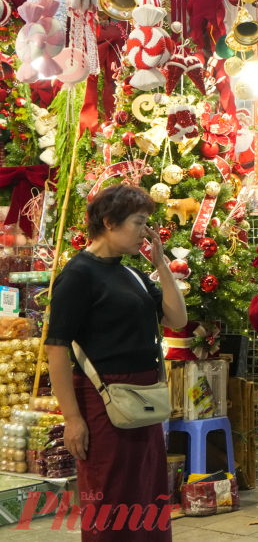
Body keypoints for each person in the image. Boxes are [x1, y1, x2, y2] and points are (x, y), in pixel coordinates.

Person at [45, 184, 188, 542]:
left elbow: (177, 319)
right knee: (109, 499)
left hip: (142, 402)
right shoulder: (78, 275)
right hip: (102, 400)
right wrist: (72, 419)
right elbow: (56, 349)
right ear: (109, 222)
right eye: (139, 222)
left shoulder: (131, 274)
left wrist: (161, 265)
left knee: (147, 495)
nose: (145, 231)